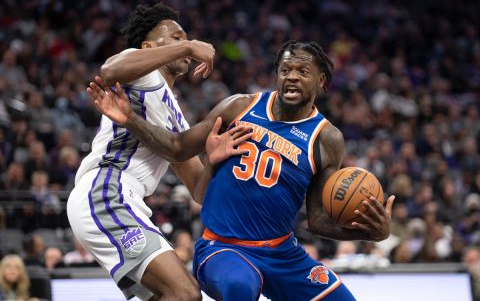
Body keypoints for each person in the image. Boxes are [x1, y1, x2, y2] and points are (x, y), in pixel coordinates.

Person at [89, 40, 396, 300]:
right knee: (240, 287)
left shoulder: (327, 139)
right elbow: (177, 147)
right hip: (222, 249)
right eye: (285, 70)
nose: (292, 77)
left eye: (303, 71)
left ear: (320, 81)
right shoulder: (240, 107)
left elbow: (317, 219)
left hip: (282, 253)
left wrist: (370, 232)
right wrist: (129, 119)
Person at [68, 2, 250, 301]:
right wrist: (188, 46)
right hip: (106, 189)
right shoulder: (142, 73)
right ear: (148, 47)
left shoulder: (175, 115)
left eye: (185, 38)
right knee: (185, 293)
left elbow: (198, 191)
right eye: (176, 37)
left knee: (178, 296)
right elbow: (110, 70)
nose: (185, 44)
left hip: (127, 201)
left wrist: (215, 163)